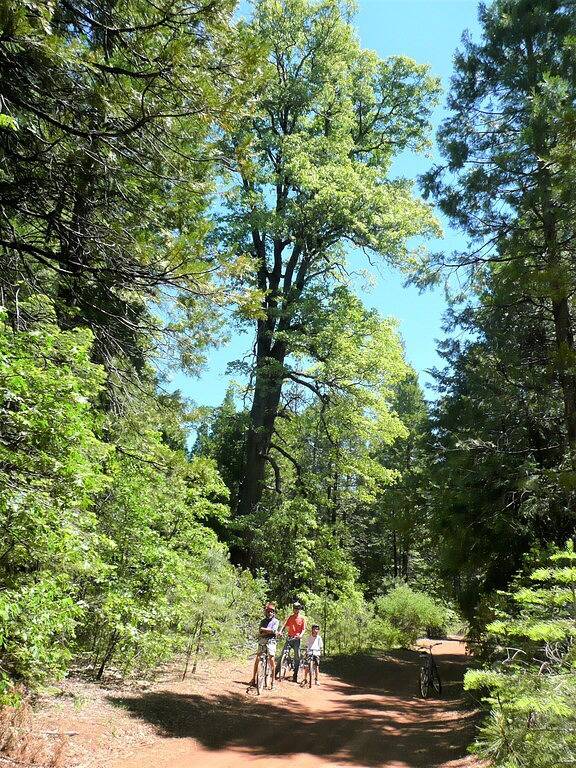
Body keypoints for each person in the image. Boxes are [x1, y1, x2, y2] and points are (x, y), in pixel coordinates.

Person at [250, 603, 280, 688]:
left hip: (271, 641)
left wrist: (265, 630)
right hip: (263, 640)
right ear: (266, 612)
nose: (269, 613)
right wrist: (268, 631)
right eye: (268, 611)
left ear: (273, 613)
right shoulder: (263, 621)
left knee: (271, 659)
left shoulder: (276, 621)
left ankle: (273, 681)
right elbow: (260, 631)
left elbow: (273, 631)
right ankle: (253, 679)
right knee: (258, 658)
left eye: (271, 612)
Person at [276, 601, 306, 682]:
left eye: (297, 608)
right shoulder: (291, 617)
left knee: (297, 657)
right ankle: (276, 672)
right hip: (289, 638)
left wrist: (300, 635)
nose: (296, 610)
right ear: (293, 609)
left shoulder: (302, 618)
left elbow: (303, 629)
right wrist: (280, 631)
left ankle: (295, 675)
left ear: (299, 609)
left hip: (297, 640)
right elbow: (284, 625)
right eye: (295, 608)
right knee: (282, 654)